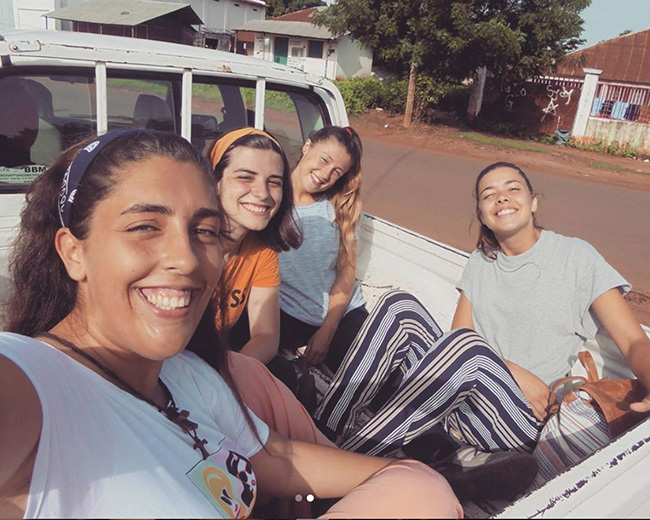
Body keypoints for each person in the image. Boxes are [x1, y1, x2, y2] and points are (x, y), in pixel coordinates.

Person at [0, 128, 462, 518]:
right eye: (145, 227)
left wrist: (407, 476)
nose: (186, 258)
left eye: (204, 231)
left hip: (237, 379)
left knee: (420, 488)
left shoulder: (186, 375)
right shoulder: (34, 381)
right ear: (74, 252)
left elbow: (275, 455)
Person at [314, 161, 650, 501]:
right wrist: (510, 368)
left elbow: (634, 341)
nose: (501, 198)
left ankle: (347, 468)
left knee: (469, 351)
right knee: (398, 305)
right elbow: (458, 338)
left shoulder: (576, 257)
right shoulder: (480, 262)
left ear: (534, 201)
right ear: (483, 214)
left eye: (512, 189)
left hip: (521, 418)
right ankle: (323, 428)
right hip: (467, 399)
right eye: (489, 195)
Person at [206, 128, 303, 392]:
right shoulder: (189, 246)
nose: (262, 193)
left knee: (282, 373)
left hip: (217, 358)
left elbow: (266, 335)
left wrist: (226, 378)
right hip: (174, 359)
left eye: (274, 182)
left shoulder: (262, 251)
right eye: (245, 177)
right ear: (215, 181)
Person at [279, 125, 367, 373]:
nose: (325, 174)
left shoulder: (338, 208)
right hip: (286, 315)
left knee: (372, 378)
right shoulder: (270, 199)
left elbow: (346, 273)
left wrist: (328, 329)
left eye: (336, 172)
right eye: (324, 159)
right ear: (307, 146)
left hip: (341, 315)